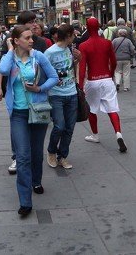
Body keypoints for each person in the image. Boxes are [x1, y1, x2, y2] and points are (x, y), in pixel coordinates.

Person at [0, 25, 58, 217]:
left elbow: (54, 77)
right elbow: (2, 69)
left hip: (38, 111)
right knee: (22, 156)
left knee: (36, 152)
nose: (32, 40)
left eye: (32, 37)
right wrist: (10, 50)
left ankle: (36, 181)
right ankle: (25, 201)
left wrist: (39, 89)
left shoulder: (38, 56)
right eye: (27, 38)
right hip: (18, 113)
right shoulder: (10, 58)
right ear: (16, 40)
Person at [0, 11, 48, 175]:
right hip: (16, 87)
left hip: (36, 93)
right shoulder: (11, 40)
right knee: (17, 127)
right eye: (31, 22)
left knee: (36, 130)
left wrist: (43, 88)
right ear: (22, 24)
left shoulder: (40, 42)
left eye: (35, 21)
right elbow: (2, 65)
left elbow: (47, 67)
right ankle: (17, 156)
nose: (34, 24)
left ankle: (31, 160)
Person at [79, 17, 127, 153]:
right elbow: (114, 62)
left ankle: (95, 135)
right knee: (112, 109)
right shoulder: (107, 43)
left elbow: (82, 69)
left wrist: (80, 86)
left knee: (91, 109)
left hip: (93, 81)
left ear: (87, 28)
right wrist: (110, 75)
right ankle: (118, 134)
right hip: (106, 79)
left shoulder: (83, 45)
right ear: (99, 27)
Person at [44, 24, 78, 170]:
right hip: (56, 94)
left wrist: (77, 59)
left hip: (72, 93)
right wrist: (53, 80)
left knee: (69, 128)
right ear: (68, 35)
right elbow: (43, 72)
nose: (75, 37)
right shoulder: (50, 52)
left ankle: (63, 156)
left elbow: (70, 69)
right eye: (73, 34)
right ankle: (51, 151)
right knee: (59, 126)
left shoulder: (70, 49)